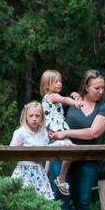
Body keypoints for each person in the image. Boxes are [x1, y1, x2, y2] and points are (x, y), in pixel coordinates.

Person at [47, 70, 105, 210]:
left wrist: (67, 133)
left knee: (82, 200)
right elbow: (50, 116)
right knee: (61, 199)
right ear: (86, 87)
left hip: (87, 160)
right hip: (61, 158)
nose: (100, 91)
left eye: (103, 87)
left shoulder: (104, 108)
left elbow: (93, 133)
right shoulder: (70, 102)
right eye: (96, 88)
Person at [40, 69, 80, 197]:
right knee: (71, 150)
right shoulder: (52, 96)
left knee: (50, 157)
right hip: (56, 131)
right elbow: (64, 99)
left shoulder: (46, 99)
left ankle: (43, 178)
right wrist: (76, 103)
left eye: (60, 81)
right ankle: (61, 178)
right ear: (47, 85)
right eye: (56, 81)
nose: (59, 84)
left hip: (53, 131)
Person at [9, 102, 54, 201]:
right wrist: (16, 147)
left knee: (42, 201)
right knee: (22, 199)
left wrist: (64, 144)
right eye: (31, 115)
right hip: (23, 170)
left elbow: (48, 148)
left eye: (37, 116)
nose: (34, 119)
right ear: (26, 117)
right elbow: (10, 150)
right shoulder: (20, 132)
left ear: (42, 117)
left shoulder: (44, 133)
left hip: (39, 171)